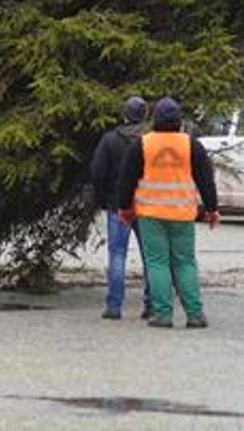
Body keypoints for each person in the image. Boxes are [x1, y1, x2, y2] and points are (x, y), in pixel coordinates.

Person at [116, 96, 219, 330]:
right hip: (182, 214)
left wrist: (125, 208)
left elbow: (126, 181)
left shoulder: (142, 144)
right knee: (185, 263)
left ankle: (162, 314)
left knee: (157, 263)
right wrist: (212, 210)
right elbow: (206, 181)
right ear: (179, 121)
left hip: (150, 214)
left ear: (154, 120)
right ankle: (194, 314)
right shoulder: (191, 144)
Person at [89, 95, 154, 320]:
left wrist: (102, 199)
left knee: (117, 254)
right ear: (145, 115)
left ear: (124, 115)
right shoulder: (151, 140)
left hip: (117, 203)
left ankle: (114, 306)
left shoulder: (110, 140)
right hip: (146, 203)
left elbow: (97, 171)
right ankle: (152, 303)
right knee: (151, 256)